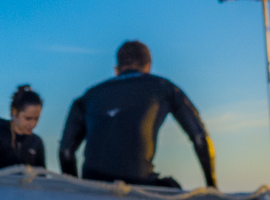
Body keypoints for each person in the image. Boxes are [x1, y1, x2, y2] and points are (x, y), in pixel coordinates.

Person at [59, 41, 215, 188]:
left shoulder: (88, 96)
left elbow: (65, 151)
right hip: (140, 183)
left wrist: (76, 190)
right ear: (148, 66)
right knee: (171, 186)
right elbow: (200, 138)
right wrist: (211, 187)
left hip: (93, 183)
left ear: (116, 70)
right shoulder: (164, 87)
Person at [0, 84, 48, 171]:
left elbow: (42, 178)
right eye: (28, 118)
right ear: (14, 112)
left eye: (36, 119)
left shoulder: (36, 142)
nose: (33, 124)